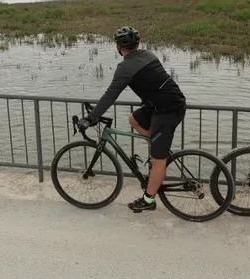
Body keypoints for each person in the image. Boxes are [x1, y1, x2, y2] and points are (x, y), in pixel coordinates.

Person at [77, 26, 187, 212]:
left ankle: (149, 199)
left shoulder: (125, 68)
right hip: (161, 105)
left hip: (167, 110)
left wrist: (91, 118)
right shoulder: (148, 55)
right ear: (138, 43)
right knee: (133, 119)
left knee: (159, 160)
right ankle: (155, 146)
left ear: (117, 46)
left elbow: (110, 95)